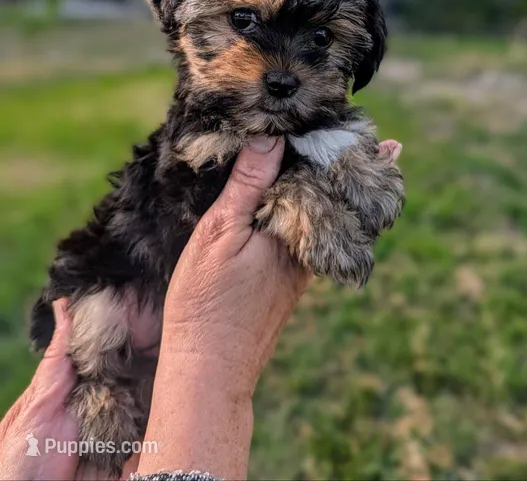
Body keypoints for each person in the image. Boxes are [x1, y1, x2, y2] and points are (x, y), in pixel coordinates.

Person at [0, 135, 401, 481]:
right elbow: (200, 201)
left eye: (319, 39)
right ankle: (98, 391)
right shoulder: (202, 132)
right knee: (99, 331)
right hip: (116, 285)